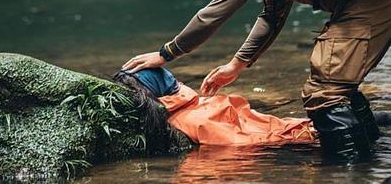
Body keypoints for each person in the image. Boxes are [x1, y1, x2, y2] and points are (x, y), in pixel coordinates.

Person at [122, 0, 390, 159]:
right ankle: (373, 152)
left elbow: (213, 14)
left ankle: (350, 170)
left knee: (325, 91)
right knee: (336, 84)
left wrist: (166, 53)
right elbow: (272, 17)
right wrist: (236, 65)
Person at [114, 68, 317, 146]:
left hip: (299, 132)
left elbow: (244, 140)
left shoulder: (188, 116)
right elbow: (246, 139)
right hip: (300, 131)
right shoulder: (196, 112)